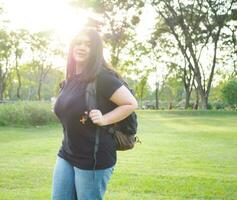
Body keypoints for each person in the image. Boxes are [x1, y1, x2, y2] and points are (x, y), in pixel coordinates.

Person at [51, 27, 138, 200]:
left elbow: (131, 103)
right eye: (78, 43)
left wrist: (105, 118)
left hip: (93, 158)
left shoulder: (103, 78)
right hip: (67, 152)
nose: (82, 47)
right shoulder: (69, 79)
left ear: (95, 51)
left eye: (88, 45)